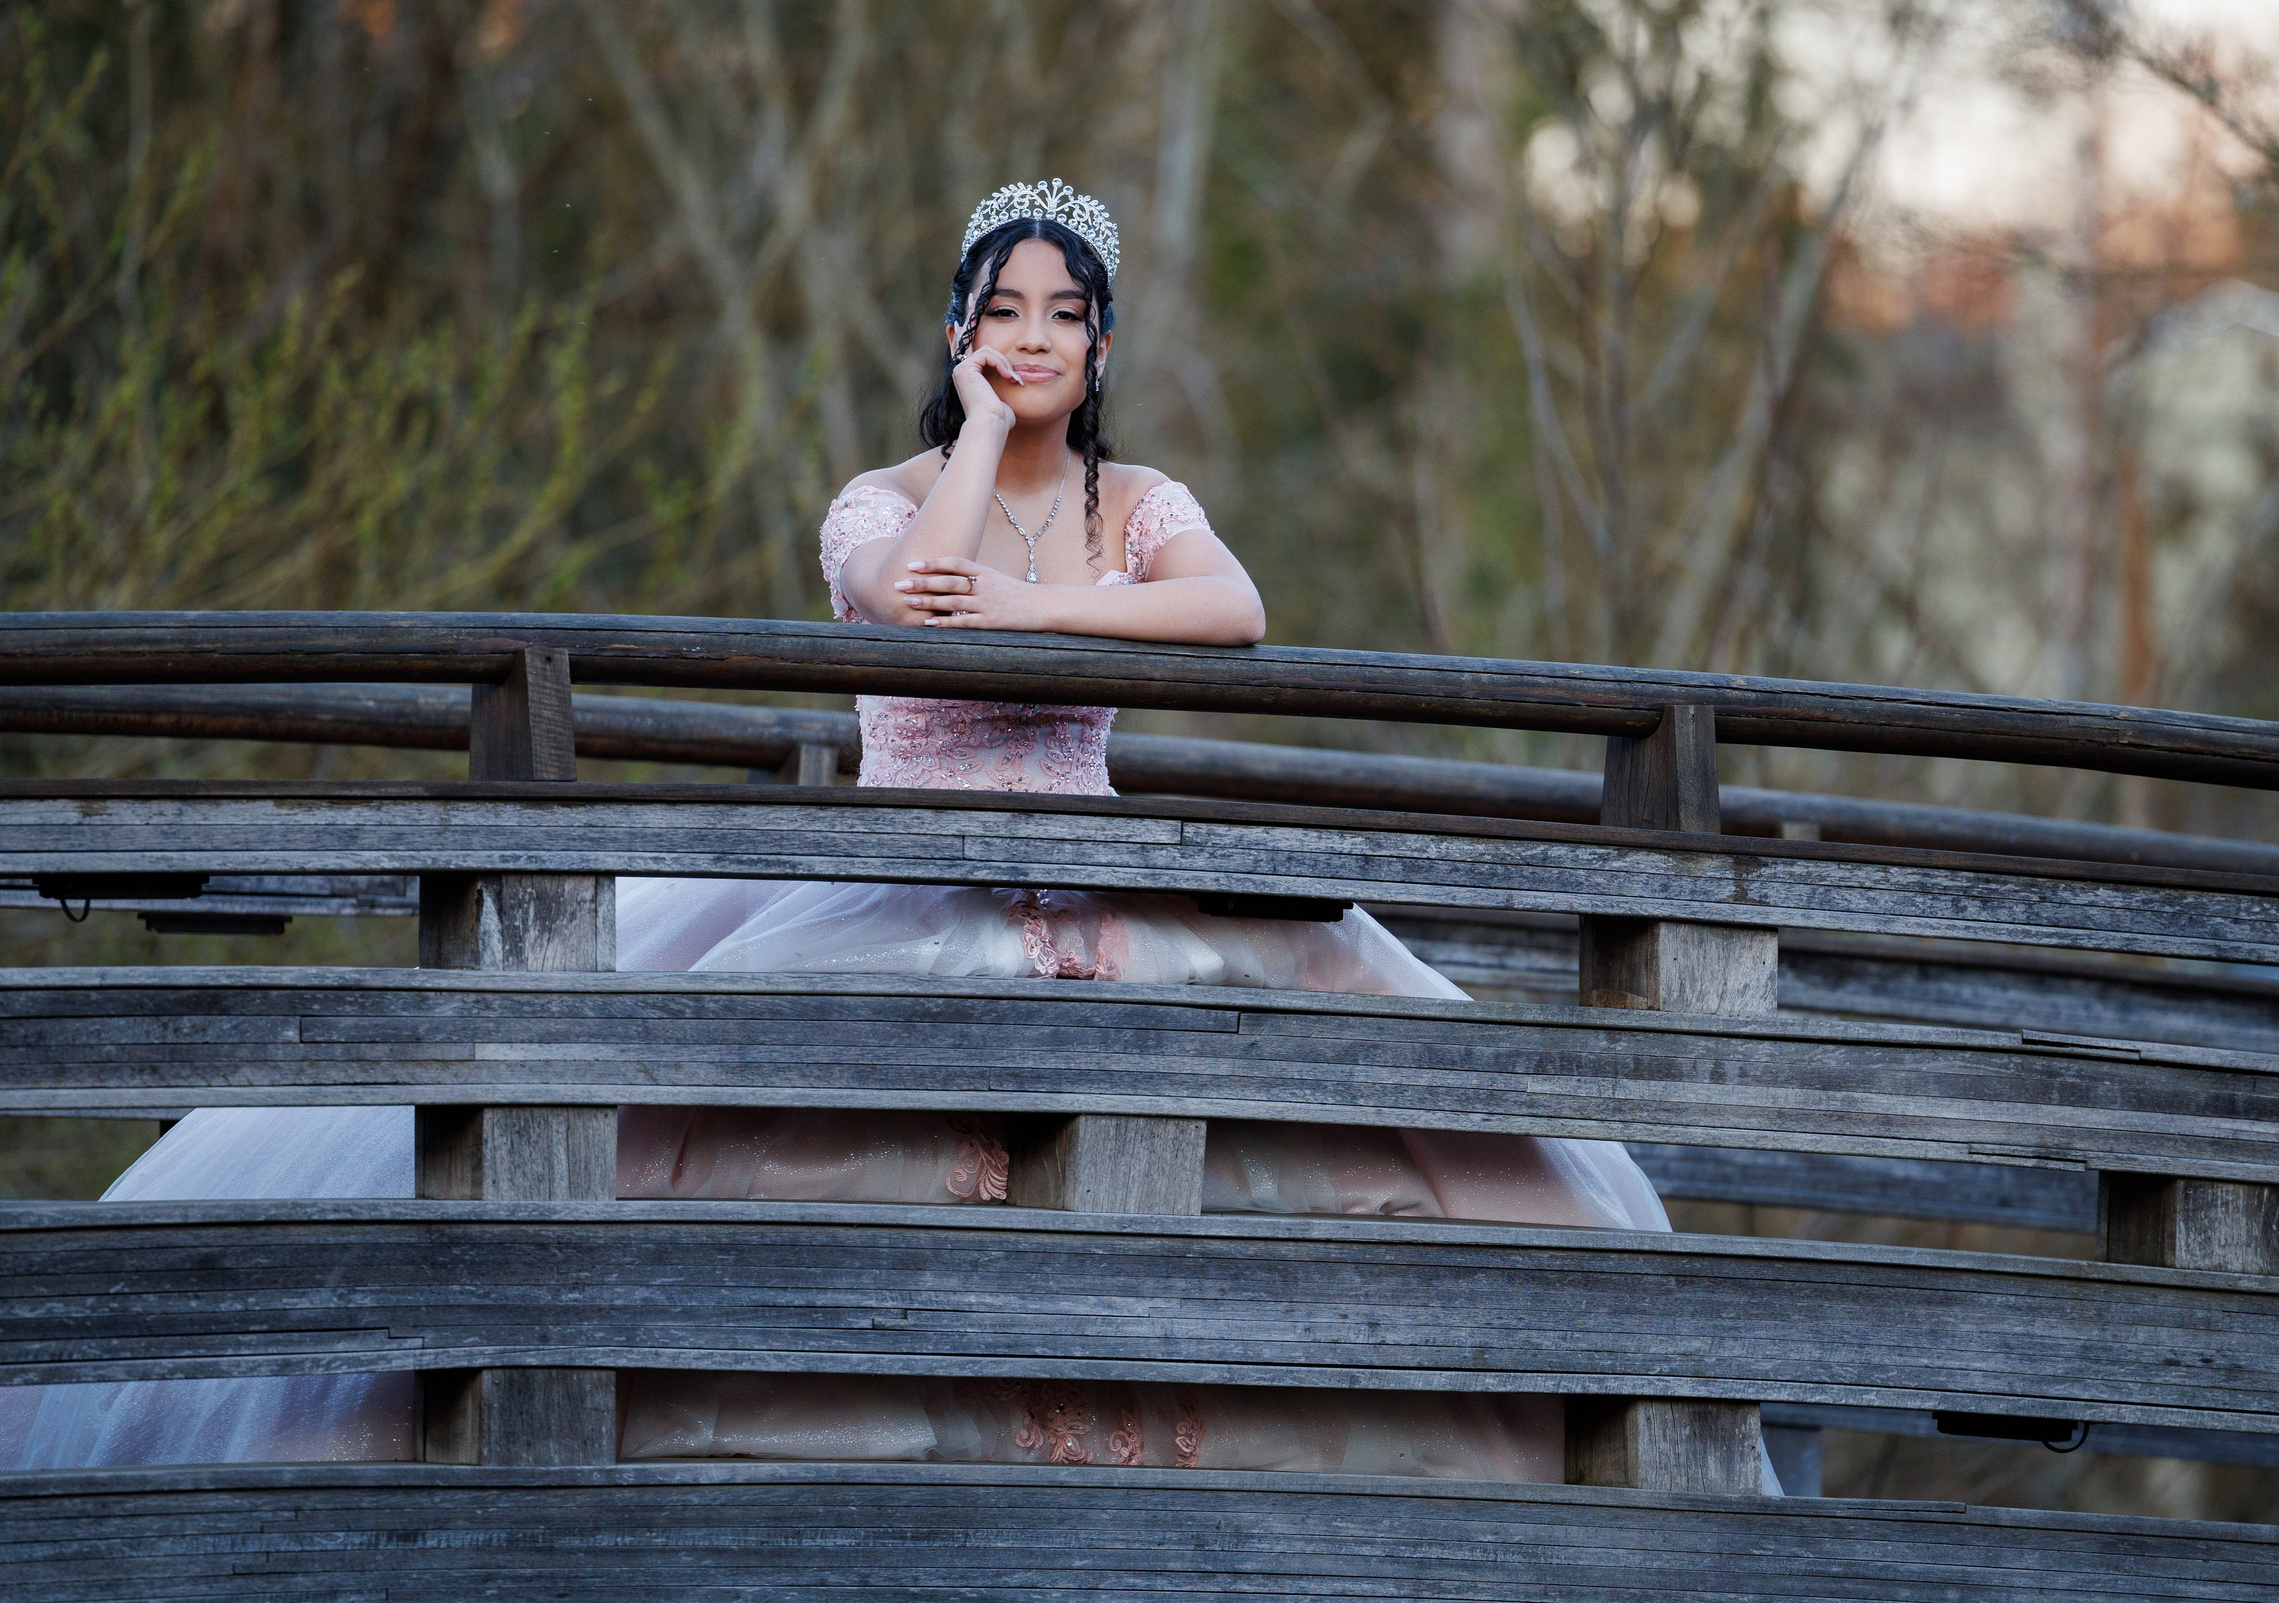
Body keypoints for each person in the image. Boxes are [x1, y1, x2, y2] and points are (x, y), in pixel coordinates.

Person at [5, 181, 1750, 1490]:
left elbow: (1232, 613)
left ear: (1106, 343)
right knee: (743, 1155)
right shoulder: (887, 494)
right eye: (1006, 314)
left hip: (1100, 868)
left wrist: (1048, 608)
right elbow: (905, 597)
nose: (1039, 339)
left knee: (1377, 1143)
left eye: (1068, 318)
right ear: (959, 333)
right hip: (899, 878)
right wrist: (983, 452)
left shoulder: (1142, 504)